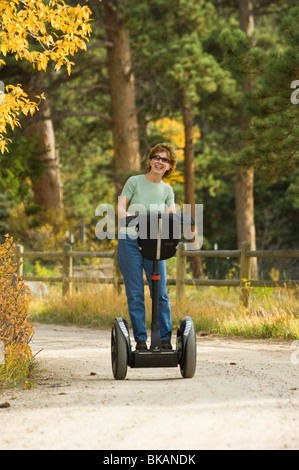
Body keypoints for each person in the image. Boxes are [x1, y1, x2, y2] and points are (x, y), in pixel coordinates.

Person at [116, 143, 177, 351]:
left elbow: (170, 215)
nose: (160, 162)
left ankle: (165, 340)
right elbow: (121, 206)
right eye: (157, 157)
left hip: (155, 243)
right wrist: (130, 221)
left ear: (169, 166)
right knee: (135, 292)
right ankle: (141, 341)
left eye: (165, 160)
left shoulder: (168, 190)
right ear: (150, 160)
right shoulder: (134, 182)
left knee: (160, 293)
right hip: (130, 241)